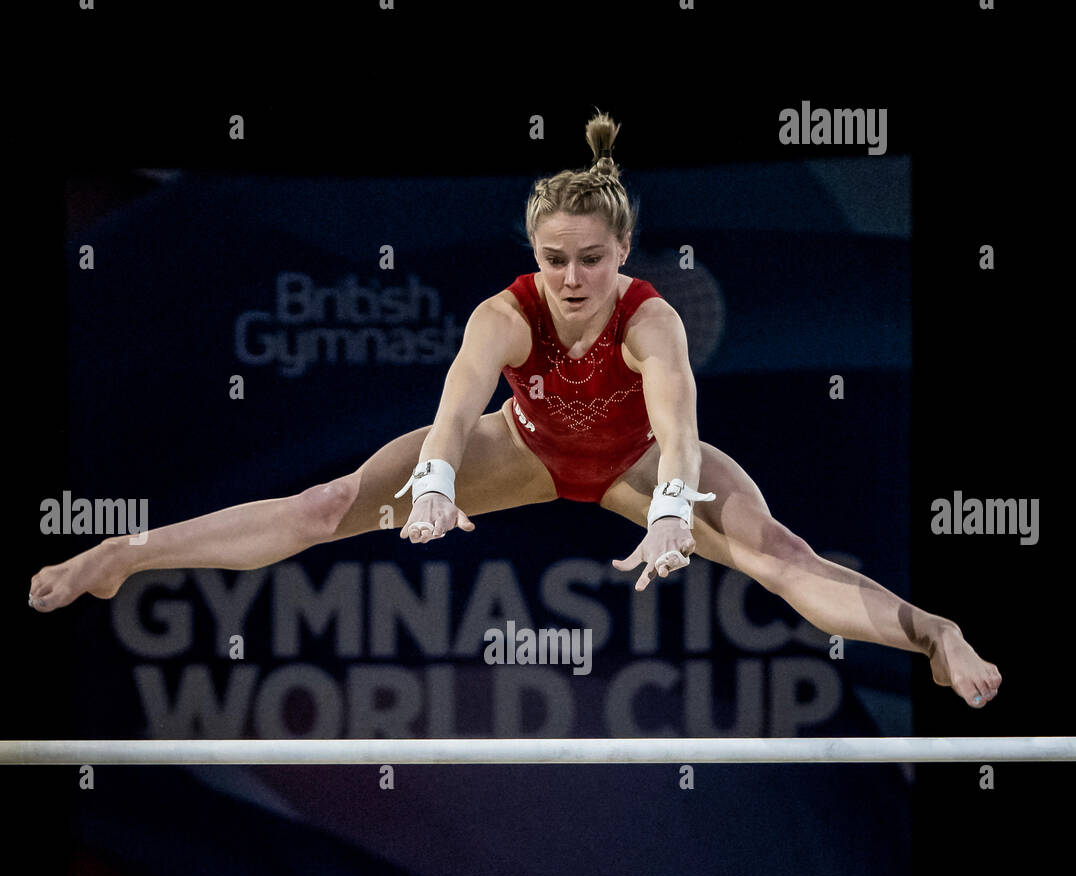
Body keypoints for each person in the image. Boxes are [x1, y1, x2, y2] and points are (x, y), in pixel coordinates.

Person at [31, 112, 1000, 708]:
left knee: (780, 556)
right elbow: (454, 411)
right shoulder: (504, 314)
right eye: (553, 259)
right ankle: (127, 555)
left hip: (632, 462)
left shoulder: (650, 326)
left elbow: (676, 432)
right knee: (325, 506)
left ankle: (931, 632)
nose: (571, 277)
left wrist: (669, 513)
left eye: (589, 259)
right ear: (534, 255)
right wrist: (435, 484)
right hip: (523, 448)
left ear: (620, 254)